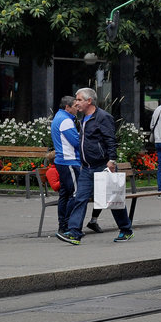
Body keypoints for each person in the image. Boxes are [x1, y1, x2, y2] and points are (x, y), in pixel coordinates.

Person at [56, 87, 133, 245]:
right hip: (87, 167)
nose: (76, 103)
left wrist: (112, 160)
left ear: (89, 101)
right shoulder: (83, 119)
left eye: (79, 100)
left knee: (113, 200)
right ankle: (75, 233)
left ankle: (126, 229)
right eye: (76, 100)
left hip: (102, 165)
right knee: (80, 198)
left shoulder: (103, 117)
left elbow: (111, 140)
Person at [49, 95, 81, 236]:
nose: (78, 108)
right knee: (75, 194)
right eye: (75, 106)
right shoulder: (66, 121)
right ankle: (68, 225)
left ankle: (62, 225)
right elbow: (76, 142)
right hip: (70, 161)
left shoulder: (58, 117)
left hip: (61, 161)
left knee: (65, 194)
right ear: (67, 107)